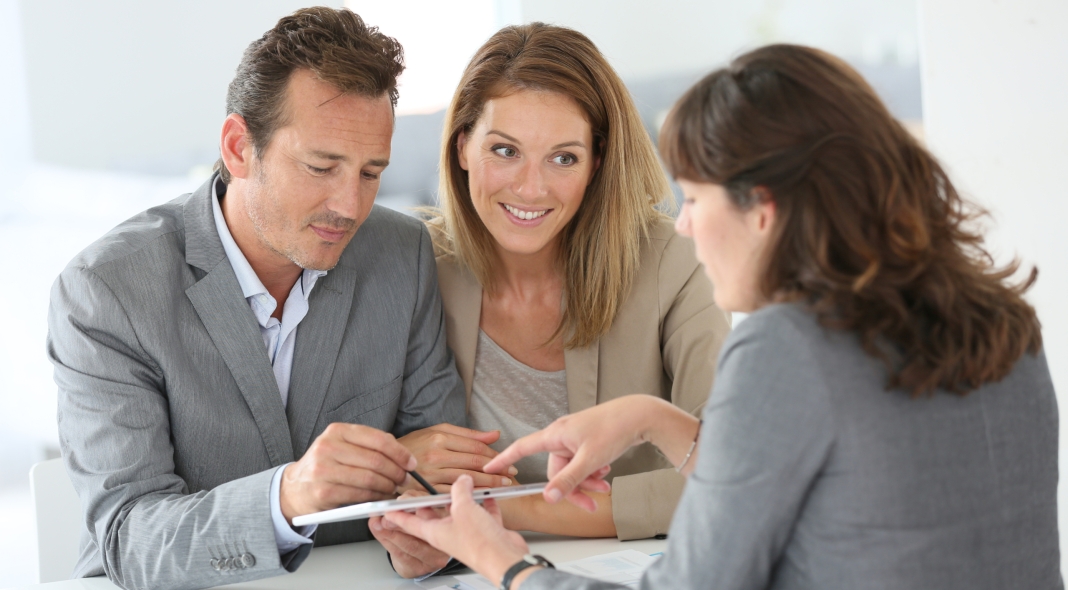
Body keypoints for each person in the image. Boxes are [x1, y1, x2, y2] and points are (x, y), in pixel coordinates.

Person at [379, 44, 1062, 590]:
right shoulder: (1001, 322)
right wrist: (654, 419)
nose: (683, 227)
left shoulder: (785, 346)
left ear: (762, 211)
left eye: (698, 200)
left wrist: (505, 562)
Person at [46, 7, 502, 590]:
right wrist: (289, 494)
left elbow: (450, 480)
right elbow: (131, 541)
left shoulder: (401, 253)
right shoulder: (107, 293)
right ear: (239, 148)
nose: (350, 206)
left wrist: (428, 548)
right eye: (321, 165)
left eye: (370, 173)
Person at [367, 22, 732, 577]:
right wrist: (403, 487)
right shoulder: (413, 263)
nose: (530, 188)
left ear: (598, 162)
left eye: (563, 157)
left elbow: (734, 477)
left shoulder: (673, 262)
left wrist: (505, 511)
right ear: (462, 145)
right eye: (505, 150)